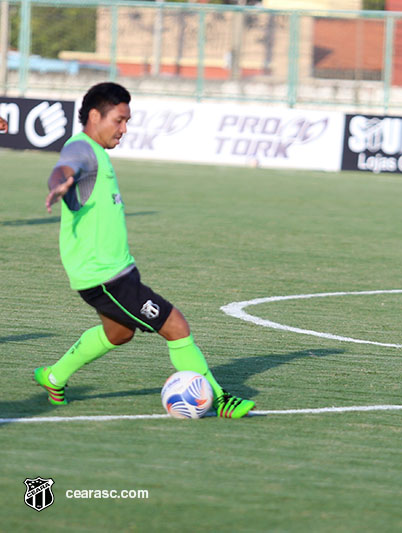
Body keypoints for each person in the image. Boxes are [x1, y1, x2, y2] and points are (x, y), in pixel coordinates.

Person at [34, 82, 254, 418]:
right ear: (95, 116)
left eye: (127, 122)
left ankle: (53, 376)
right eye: (118, 120)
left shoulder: (98, 153)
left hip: (113, 271)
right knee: (176, 326)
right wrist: (59, 182)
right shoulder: (83, 150)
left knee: (118, 333)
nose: (124, 129)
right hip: (104, 276)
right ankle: (221, 399)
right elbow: (65, 167)